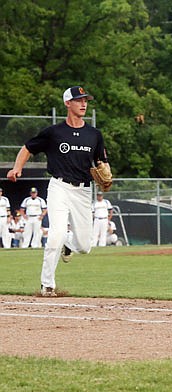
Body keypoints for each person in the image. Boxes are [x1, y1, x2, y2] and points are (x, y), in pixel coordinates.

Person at [7, 85, 109, 297]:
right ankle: (47, 285)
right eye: (79, 100)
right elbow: (28, 148)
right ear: (67, 103)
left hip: (82, 191)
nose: (83, 104)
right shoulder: (54, 133)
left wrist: (106, 172)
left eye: (85, 100)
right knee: (55, 234)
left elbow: (101, 160)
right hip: (59, 187)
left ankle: (68, 244)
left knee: (84, 246)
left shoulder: (94, 134)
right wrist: (17, 168)